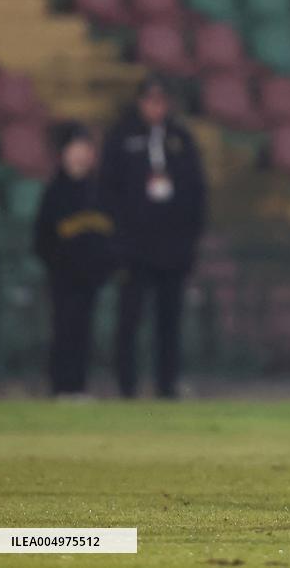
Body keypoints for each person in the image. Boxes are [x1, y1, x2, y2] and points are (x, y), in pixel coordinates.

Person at [99, 75, 206, 399]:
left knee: (169, 321)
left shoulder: (181, 138)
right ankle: (126, 385)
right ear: (140, 102)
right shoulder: (121, 137)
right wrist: (118, 240)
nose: (156, 107)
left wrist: (189, 239)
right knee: (130, 319)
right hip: (134, 246)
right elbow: (108, 191)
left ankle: (166, 384)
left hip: (172, 247)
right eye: (150, 100)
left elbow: (196, 191)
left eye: (161, 100)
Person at [34, 122, 114, 397]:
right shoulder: (55, 191)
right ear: (65, 153)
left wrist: (103, 267)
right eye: (75, 148)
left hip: (90, 278)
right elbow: (42, 239)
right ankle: (60, 387)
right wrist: (58, 266)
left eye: (85, 149)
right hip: (63, 278)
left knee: (83, 332)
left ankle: (78, 387)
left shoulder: (100, 192)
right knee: (64, 331)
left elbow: (109, 236)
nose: (80, 155)